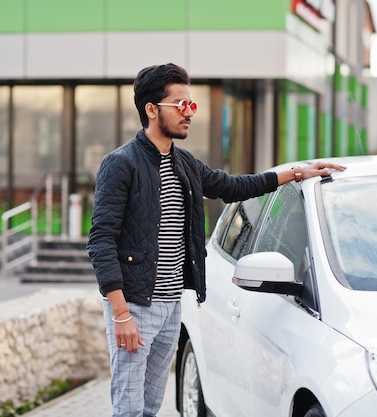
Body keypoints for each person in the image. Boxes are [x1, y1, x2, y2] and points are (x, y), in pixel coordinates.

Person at [86, 63, 345, 417]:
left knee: (149, 407)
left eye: (192, 105)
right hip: (133, 305)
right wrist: (120, 315)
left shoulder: (186, 164)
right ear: (151, 110)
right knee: (128, 409)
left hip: (169, 305)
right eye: (181, 104)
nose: (189, 113)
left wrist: (296, 173)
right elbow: (101, 241)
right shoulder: (121, 165)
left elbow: (235, 187)